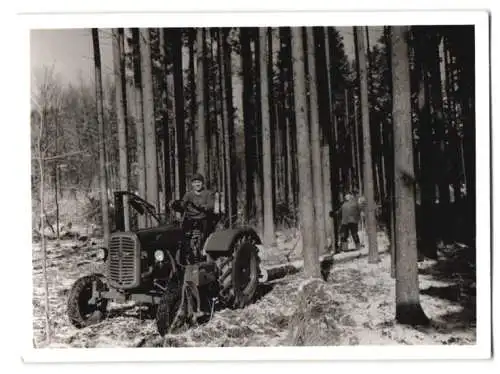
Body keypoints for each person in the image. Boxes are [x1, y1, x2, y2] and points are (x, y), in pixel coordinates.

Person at [175, 173, 215, 261]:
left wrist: (202, 206)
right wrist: (178, 205)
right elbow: (182, 204)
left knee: (204, 235)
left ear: (202, 183)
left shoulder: (208, 193)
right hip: (190, 220)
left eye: (199, 182)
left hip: (203, 219)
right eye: (195, 182)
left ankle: (203, 250)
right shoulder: (189, 195)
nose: (197, 184)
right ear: (192, 184)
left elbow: (211, 206)